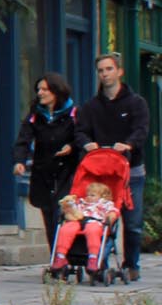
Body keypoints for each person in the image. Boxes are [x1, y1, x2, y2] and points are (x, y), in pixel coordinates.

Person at [74, 52, 149, 281]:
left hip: (130, 170)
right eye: (101, 70)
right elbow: (79, 130)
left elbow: (141, 130)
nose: (105, 74)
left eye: (109, 69)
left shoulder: (136, 103)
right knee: (100, 217)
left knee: (133, 223)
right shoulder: (91, 107)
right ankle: (100, 262)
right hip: (100, 173)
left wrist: (128, 145)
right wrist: (87, 144)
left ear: (119, 72)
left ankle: (131, 264)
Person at [11, 72, 78, 251]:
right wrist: (20, 161)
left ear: (56, 91)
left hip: (66, 171)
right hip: (43, 170)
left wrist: (72, 147)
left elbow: (81, 136)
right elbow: (23, 139)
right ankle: (55, 256)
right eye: (38, 89)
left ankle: (64, 255)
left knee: (61, 213)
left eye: (44, 89)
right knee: (48, 215)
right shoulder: (36, 115)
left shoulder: (72, 113)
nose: (40, 93)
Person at [52, 179, 120, 279]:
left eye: (92, 195)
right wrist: (68, 208)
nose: (88, 197)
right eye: (88, 194)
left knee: (92, 229)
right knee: (66, 229)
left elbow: (113, 212)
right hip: (78, 221)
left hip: (95, 221)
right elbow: (72, 209)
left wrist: (110, 217)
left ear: (103, 197)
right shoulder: (81, 202)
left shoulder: (106, 204)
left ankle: (93, 257)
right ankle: (60, 256)